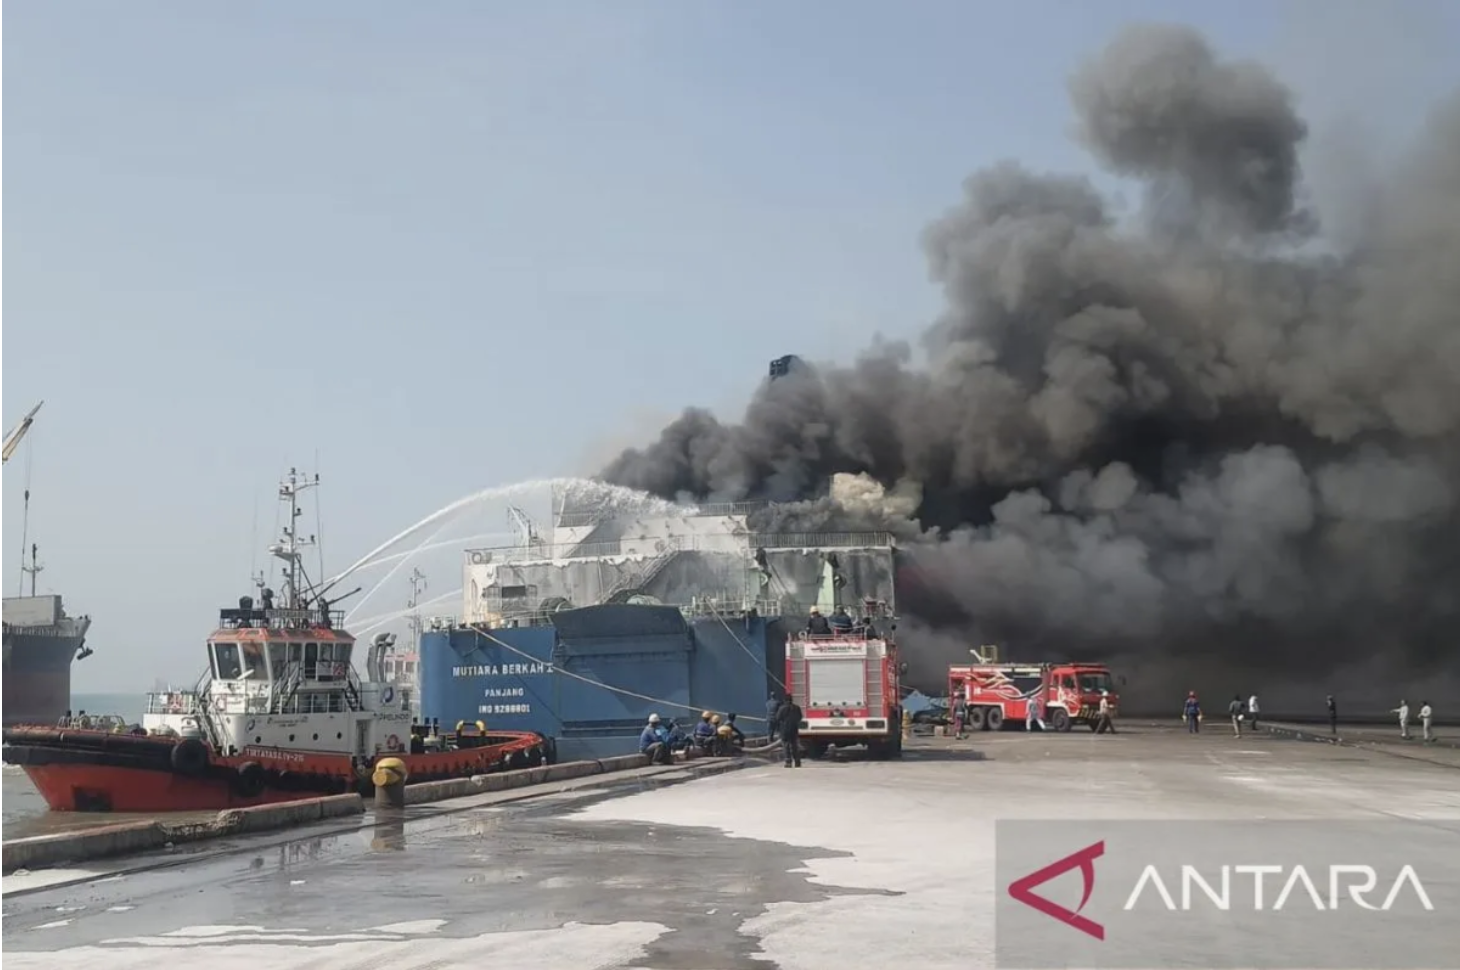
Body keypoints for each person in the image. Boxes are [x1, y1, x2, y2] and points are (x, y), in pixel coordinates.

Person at [778, 696, 804, 768]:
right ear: (792, 700)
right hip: (794, 729)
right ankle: (797, 762)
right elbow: (800, 717)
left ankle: (788, 762)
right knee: (794, 746)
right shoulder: (797, 708)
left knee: (786, 746)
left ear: (784, 700)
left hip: (785, 730)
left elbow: (778, 718)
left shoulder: (782, 708)